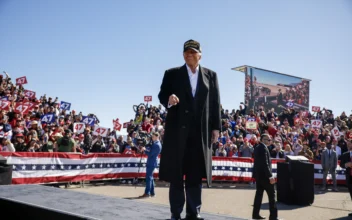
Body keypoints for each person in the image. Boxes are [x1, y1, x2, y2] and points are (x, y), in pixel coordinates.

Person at [158, 39, 221, 220]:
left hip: (200, 134)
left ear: (200, 55)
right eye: (186, 52)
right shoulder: (172, 74)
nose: (189, 55)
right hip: (178, 133)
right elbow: (162, 95)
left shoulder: (211, 75)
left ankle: (194, 212)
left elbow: (215, 103)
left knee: (195, 175)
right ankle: (175, 213)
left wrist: (216, 128)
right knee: (177, 175)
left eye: (193, 52)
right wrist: (169, 99)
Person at [252, 134, 280, 220]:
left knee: (259, 196)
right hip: (265, 177)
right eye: (268, 140)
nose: (269, 141)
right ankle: (273, 217)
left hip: (259, 177)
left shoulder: (257, 147)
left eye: (270, 139)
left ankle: (255, 214)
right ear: (263, 140)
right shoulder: (263, 148)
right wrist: (270, 176)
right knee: (272, 196)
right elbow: (265, 163)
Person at [139, 132, 162, 198]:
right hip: (152, 161)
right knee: (150, 177)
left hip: (152, 162)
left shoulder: (157, 145)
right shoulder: (156, 143)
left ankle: (147, 193)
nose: (152, 138)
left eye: (153, 137)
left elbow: (150, 153)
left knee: (148, 178)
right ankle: (152, 193)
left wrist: (144, 150)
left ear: (157, 137)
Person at [339, 139, 352, 217]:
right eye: (348, 144)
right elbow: (341, 165)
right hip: (349, 177)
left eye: (350, 144)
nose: (349, 145)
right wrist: (346, 165)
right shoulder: (345, 154)